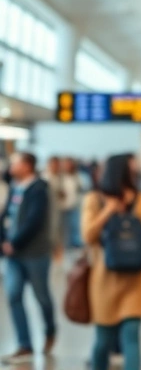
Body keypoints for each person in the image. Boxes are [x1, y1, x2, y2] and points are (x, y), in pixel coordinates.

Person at [81, 154, 141, 370]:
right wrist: (110, 211)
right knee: (107, 340)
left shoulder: (136, 200)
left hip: (124, 279)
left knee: (122, 337)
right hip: (115, 278)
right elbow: (87, 236)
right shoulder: (98, 200)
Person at [0, 153, 56, 365]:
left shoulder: (39, 189)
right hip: (13, 254)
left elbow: (34, 220)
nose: (11, 166)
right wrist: (4, 240)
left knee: (41, 296)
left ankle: (50, 330)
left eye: (15, 162)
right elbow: (6, 216)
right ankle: (25, 345)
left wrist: (14, 242)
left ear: (27, 166)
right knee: (14, 295)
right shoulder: (15, 186)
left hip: (35, 253)